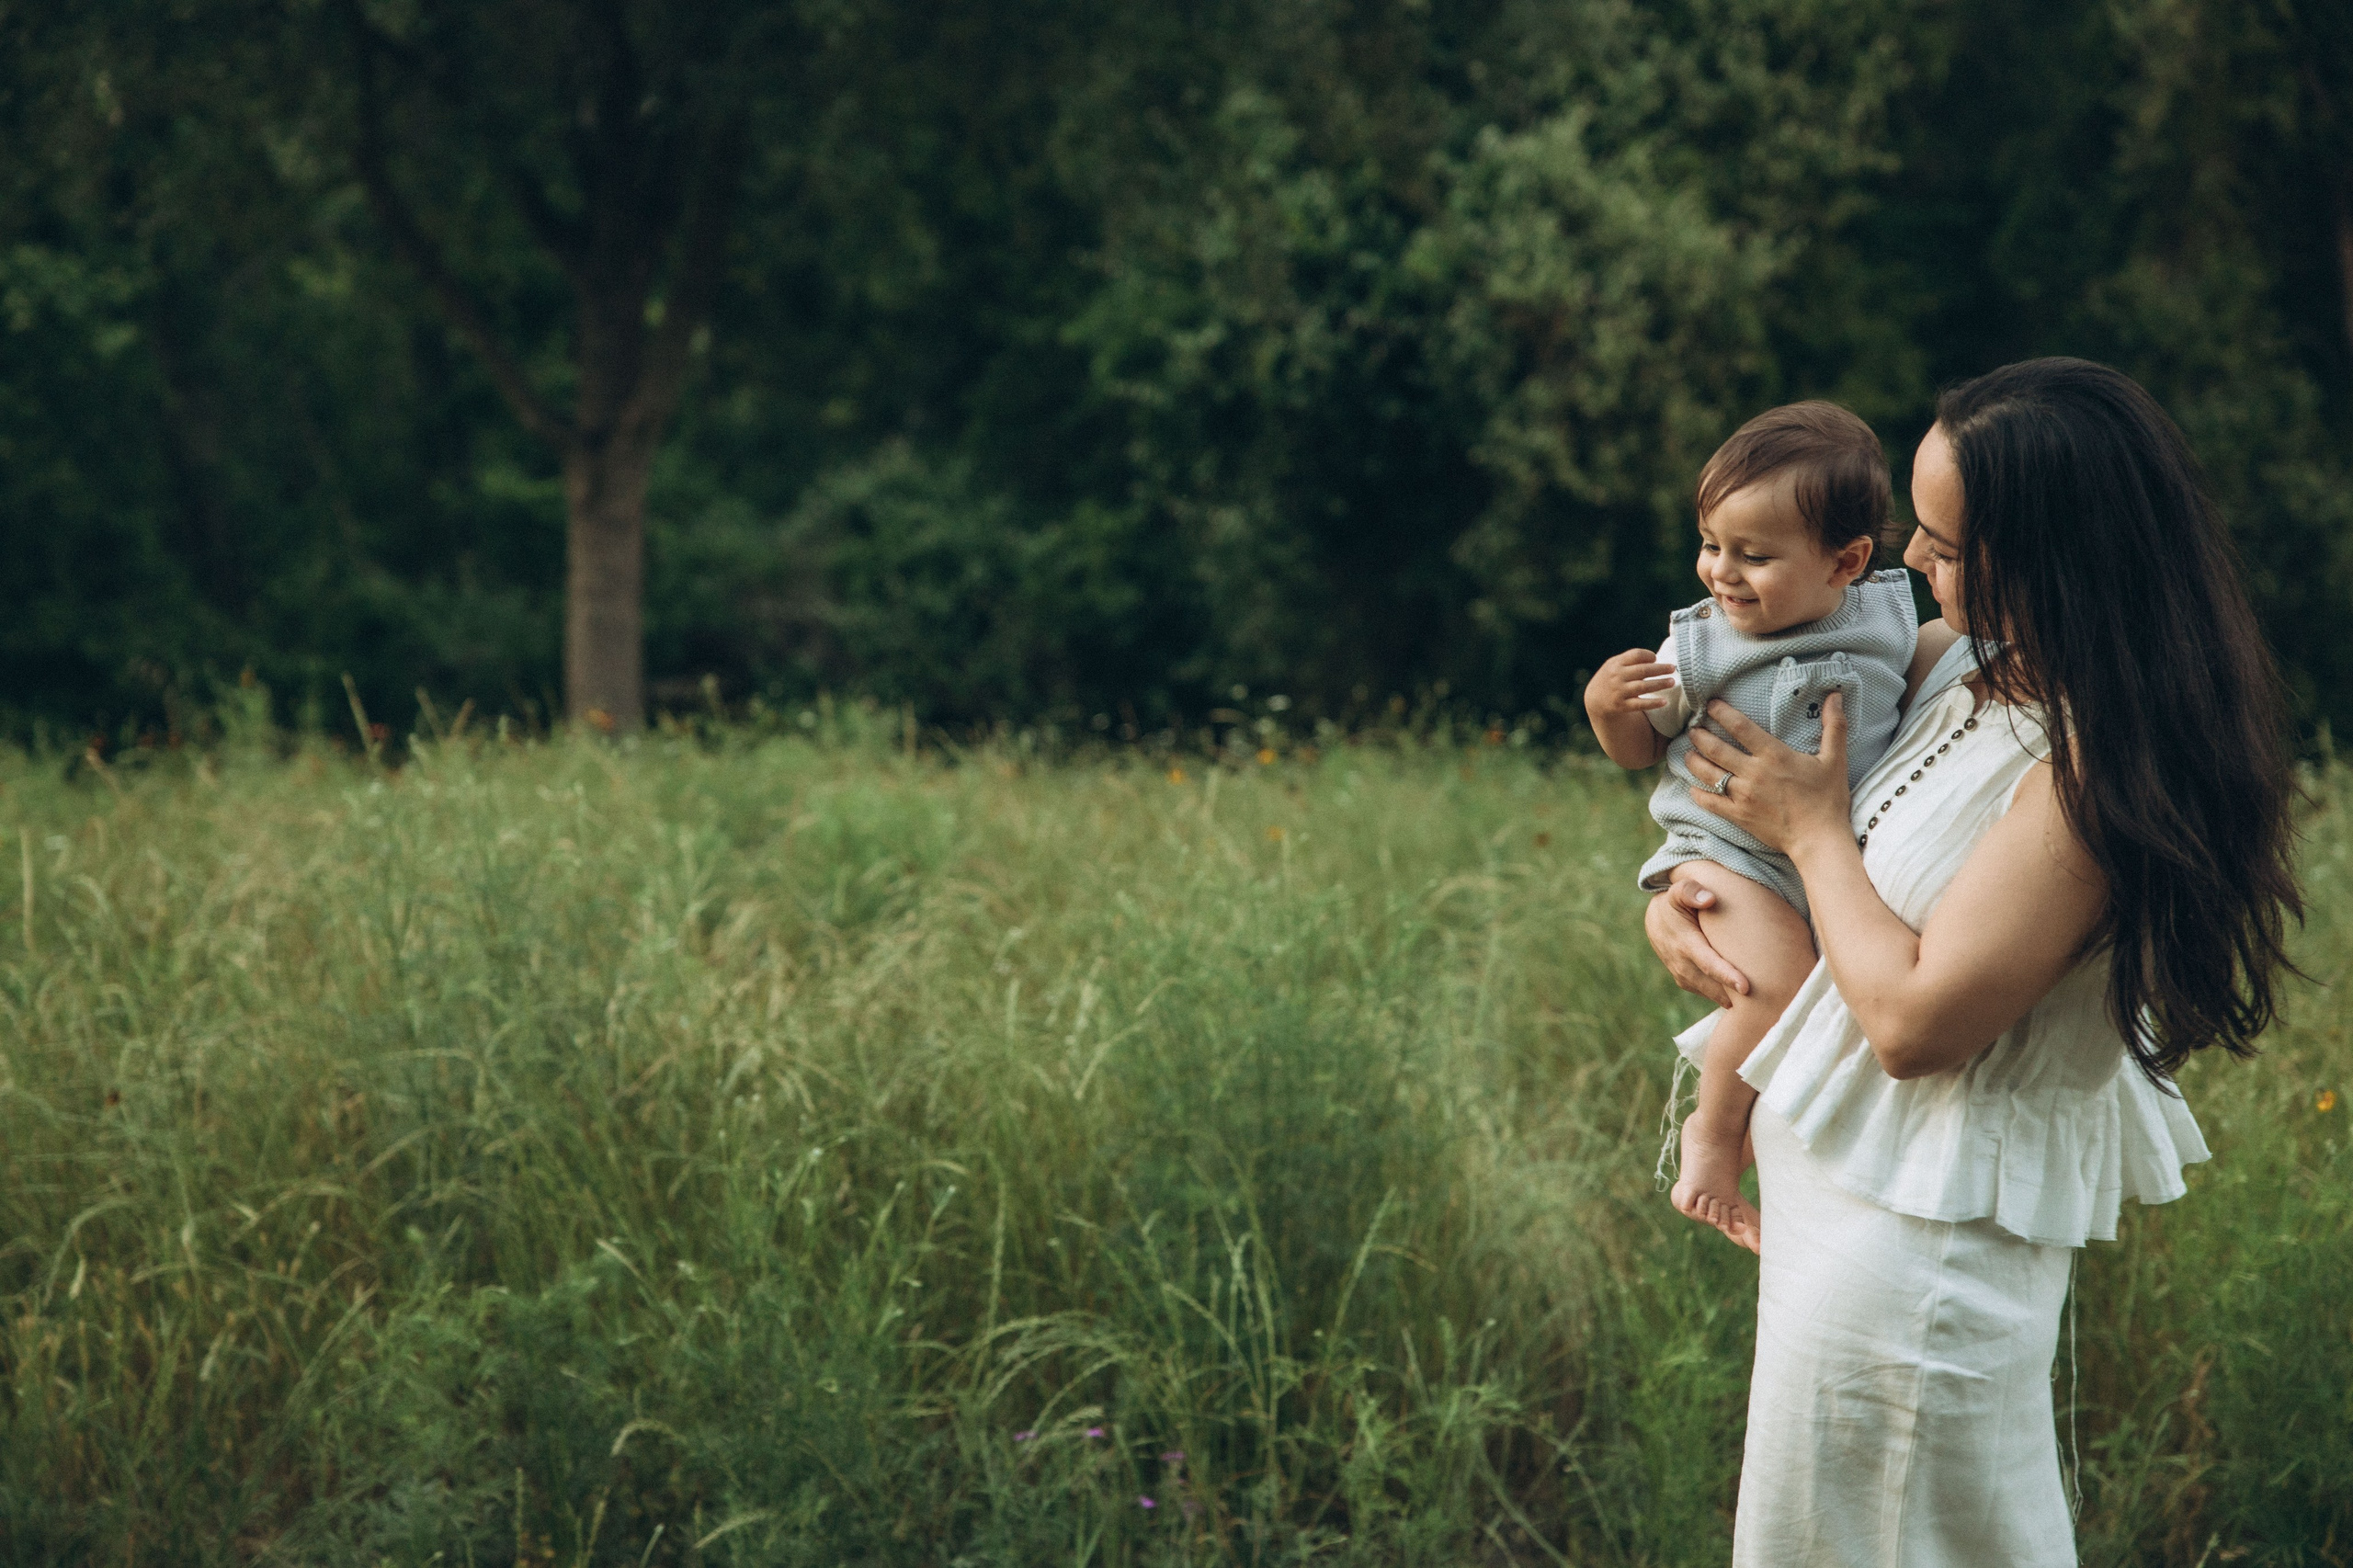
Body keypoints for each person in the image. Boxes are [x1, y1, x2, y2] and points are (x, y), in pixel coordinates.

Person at [1644, 358, 2302, 1565]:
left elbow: (1912, 1022)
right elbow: (1777, 786)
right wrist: (1683, 892)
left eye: (1945, 545)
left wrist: (1811, 830)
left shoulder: (2097, 766)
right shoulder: (1959, 662)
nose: (1908, 565)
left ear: (2054, 558)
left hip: (1914, 1263)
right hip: (1838, 1218)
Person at [1586, 403, 1916, 1248]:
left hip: (1823, 863)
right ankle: (1712, 1142)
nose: (1721, 574)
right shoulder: (1699, 649)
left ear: (1848, 563)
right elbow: (1638, 750)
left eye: (1754, 555)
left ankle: (1758, 1134)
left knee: (1825, 988)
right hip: (1728, 856)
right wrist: (1606, 711)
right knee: (1771, 983)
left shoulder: (1890, 618)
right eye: (1710, 544)